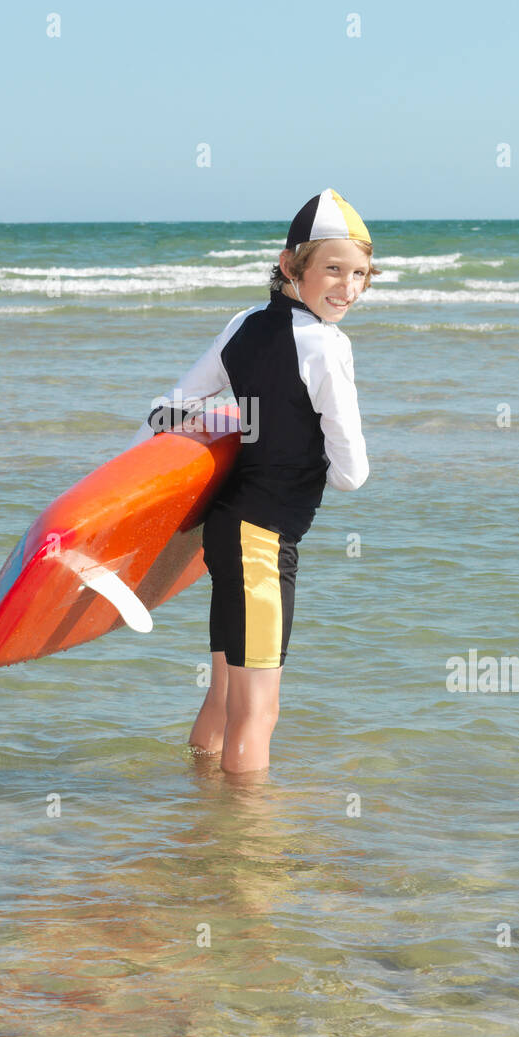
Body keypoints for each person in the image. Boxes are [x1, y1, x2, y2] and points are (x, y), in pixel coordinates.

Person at [129, 189, 374, 773]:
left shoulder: (243, 324)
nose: (349, 288)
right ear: (293, 266)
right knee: (257, 713)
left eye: (361, 273)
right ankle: (243, 845)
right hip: (263, 542)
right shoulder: (327, 345)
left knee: (224, 695)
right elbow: (351, 475)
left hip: (224, 530)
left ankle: (201, 798)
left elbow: (170, 410)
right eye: (333, 269)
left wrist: (245, 425)